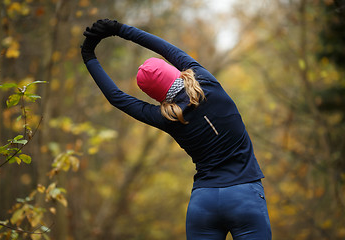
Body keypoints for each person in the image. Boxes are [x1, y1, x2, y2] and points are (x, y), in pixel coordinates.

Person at [81, 19, 272, 240]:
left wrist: (88, 55)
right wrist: (120, 29)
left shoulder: (168, 117)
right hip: (244, 196)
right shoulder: (206, 81)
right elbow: (164, 48)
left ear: (155, 95)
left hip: (204, 204)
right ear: (174, 71)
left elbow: (117, 98)